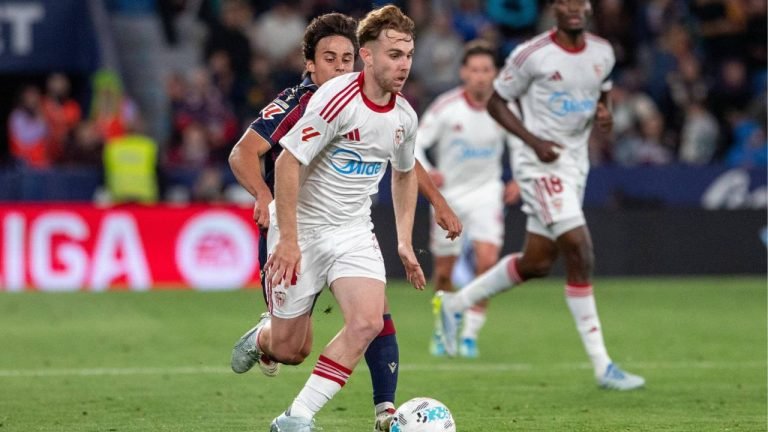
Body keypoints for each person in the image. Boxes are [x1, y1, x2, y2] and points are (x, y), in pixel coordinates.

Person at [227, 9, 458, 432]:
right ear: (370, 56)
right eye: (395, 55)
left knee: (369, 320)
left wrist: (404, 241)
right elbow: (286, 162)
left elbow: (404, 170)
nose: (405, 65)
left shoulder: (405, 115)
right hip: (302, 228)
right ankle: (264, 337)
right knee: (291, 349)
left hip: (353, 230)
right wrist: (287, 237)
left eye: (408, 55)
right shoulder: (330, 100)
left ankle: (297, 417)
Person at [435, 0, 646, 391]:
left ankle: (455, 304)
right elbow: (496, 102)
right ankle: (603, 365)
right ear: (554, 8)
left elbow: (602, 93)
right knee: (579, 249)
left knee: (536, 262)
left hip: (575, 165)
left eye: (579, 1)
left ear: (589, 7)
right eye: (564, 1)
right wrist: (533, 142)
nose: (573, 8)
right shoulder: (530, 55)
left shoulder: (603, 52)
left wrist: (605, 114)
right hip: (539, 165)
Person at [414, 40, 519, 358]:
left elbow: (522, 146)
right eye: (474, 70)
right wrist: (429, 171)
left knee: (487, 263)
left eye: (486, 70)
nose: (480, 76)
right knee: (444, 271)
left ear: (495, 73)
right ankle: (442, 328)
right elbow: (415, 143)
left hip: (487, 194)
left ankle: (470, 334)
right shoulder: (446, 107)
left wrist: (519, 179)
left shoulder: (504, 108)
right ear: (463, 73)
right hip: (449, 198)